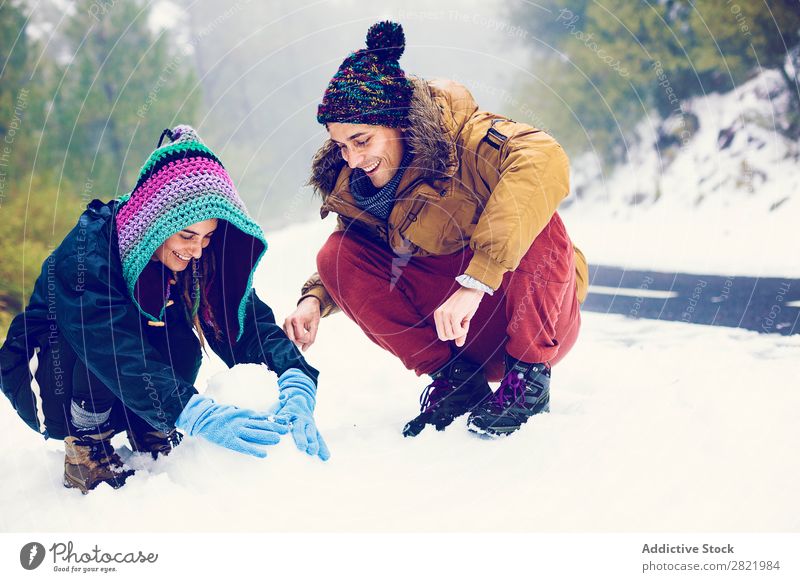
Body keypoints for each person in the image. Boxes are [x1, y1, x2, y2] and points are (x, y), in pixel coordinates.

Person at [283, 21, 589, 439]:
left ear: (400, 126)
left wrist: (476, 280)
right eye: (341, 146)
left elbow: (545, 158)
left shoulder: (467, 140)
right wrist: (315, 301)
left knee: (536, 213)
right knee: (335, 253)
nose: (352, 159)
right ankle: (457, 384)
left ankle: (527, 385)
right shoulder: (357, 189)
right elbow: (354, 262)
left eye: (362, 140)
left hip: (535, 322)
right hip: (460, 338)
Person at [0, 125, 329, 494]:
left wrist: (295, 376)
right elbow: (109, 347)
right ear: (156, 223)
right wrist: (193, 410)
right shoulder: (88, 250)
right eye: (187, 236)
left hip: (123, 379)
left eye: (207, 237)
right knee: (104, 341)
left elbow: (244, 321)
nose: (196, 250)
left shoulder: (193, 262)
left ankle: (149, 424)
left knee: (182, 342)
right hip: (49, 376)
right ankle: (86, 446)